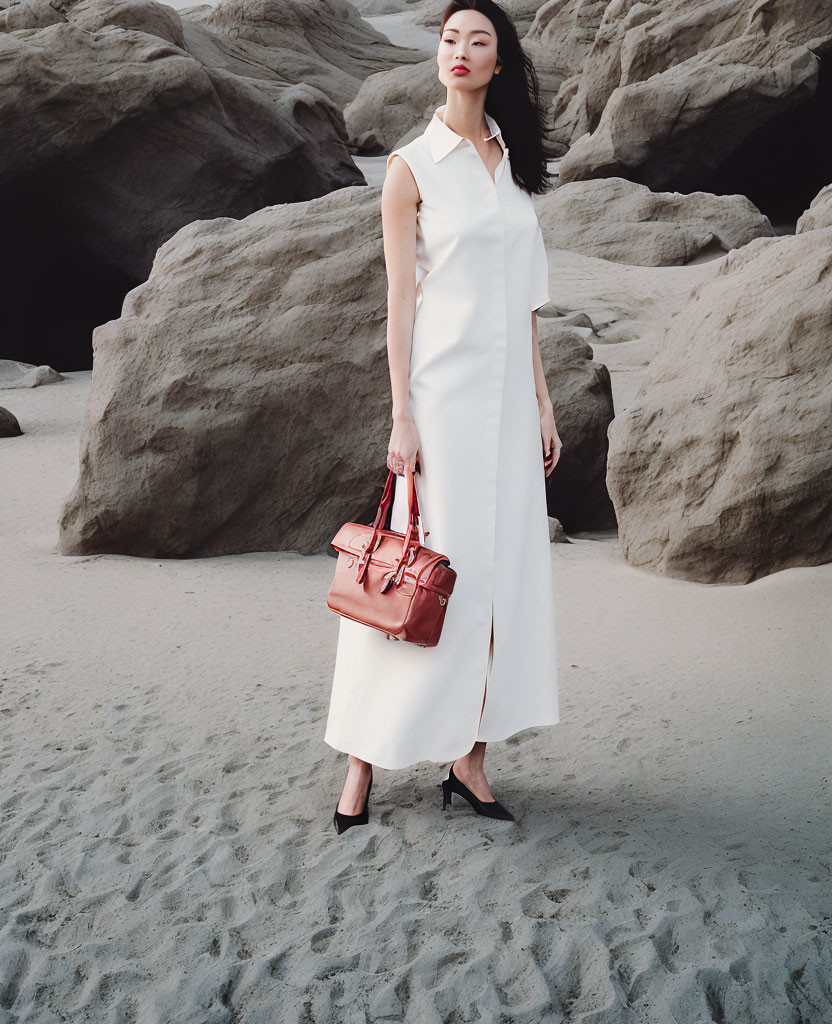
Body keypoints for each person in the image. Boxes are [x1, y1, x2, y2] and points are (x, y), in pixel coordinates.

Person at [324, 0, 563, 835]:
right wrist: (401, 417)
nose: (459, 51)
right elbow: (399, 305)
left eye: (478, 41)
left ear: (499, 64)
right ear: (438, 57)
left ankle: (470, 762)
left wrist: (541, 398)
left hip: (505, 409)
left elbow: (525, 298)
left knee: (495, 584)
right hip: (442, 404)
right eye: (450, 38)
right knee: (414, 576)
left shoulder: (513, 162)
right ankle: (358, 766)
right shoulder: (410, 167)